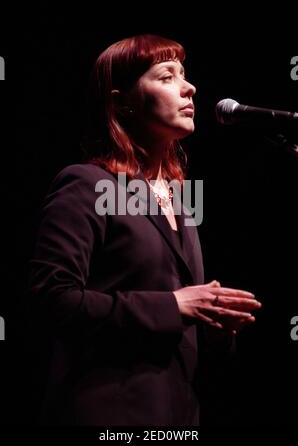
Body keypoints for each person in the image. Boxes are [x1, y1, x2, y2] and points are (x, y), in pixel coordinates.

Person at [28, 34, 261, 426]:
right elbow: (51, 300)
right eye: (166, 76)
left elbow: (178, 326)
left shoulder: (182, 197)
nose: (189, 87)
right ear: (122, 103)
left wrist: (215, 328)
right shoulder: (87, 184)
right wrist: (175, 305)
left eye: (184, 75)